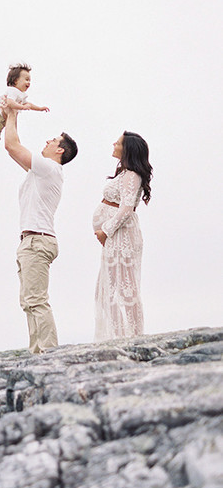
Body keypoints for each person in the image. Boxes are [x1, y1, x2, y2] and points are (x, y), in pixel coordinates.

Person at [4, 106, 78, 352]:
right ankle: (37, 351)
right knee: (28, 301)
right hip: (30, 241)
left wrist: (12, 113)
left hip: (38, 241)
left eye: (53, 140)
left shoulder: (50, 168)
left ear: (60, 150)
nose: (47, 141)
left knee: (36, 300)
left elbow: (11, 146)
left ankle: (47, 351)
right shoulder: (41, 172)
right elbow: (14, 151)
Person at [93, 131, 153, 340]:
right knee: (112, 285)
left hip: (121, 236)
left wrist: (105, 231)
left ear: (127, 149)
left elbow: (127, 209)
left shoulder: (131, 175)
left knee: (125, 286)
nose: (113, 144)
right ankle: (116, 334)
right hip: (116, 236)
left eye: (117, 143)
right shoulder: (124, 174)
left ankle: (132, 335)